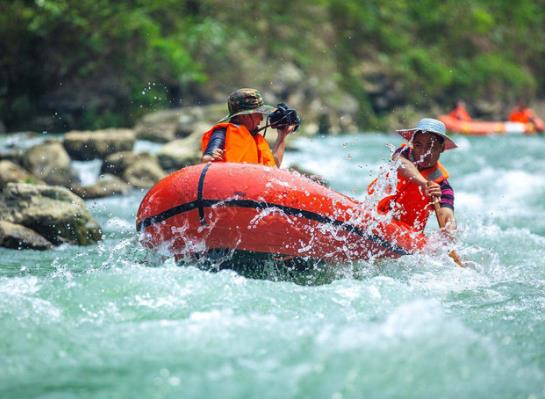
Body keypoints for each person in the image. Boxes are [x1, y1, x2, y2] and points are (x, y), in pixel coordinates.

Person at [368, 118, 457, 235]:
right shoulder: (402, 154)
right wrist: (425, 183)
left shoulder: (443, 187)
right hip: (374, 215)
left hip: (405, 234)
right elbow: (401, 163)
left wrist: (450, 229)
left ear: (441, 148)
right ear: (412, 144)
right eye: (418, 145)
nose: (423, 152)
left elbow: (447, 215)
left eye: (430, 146)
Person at [201, 88, 297, 167]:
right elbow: (209, 154)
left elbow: (273, 168)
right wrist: (210, 155)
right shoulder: (222, 132)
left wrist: (282, 136)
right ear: (244, 116)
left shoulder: (256, 139)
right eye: (258, 113)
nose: (261, 118)